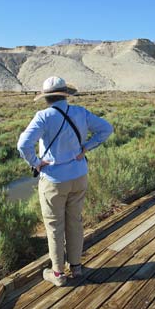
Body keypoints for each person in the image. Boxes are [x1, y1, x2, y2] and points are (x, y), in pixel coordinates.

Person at [17, 76, 113, 286]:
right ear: (65, 94)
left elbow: (23, 145)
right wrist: (86, 147)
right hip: (79, 176)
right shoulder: (80, 112)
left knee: (54, 226)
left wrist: (36, 162)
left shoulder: (43, 116)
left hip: (54, 180)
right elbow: (106, 129)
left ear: (46, 98)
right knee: (75, 222)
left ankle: (58, 274)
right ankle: (76, 268)